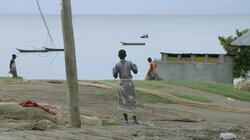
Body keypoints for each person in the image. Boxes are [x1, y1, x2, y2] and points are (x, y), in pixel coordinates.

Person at [112, 49, 139, 124]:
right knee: (132, 100)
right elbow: (135, 71)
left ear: (118, 56)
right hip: (129, 83)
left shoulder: (117, 65)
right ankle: (134, 119)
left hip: (122, 84)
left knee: (123, 101)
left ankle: (126, 120)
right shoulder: (130, 63)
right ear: (126, 55)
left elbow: (115, 76)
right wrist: (135, 66)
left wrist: (113, 70)